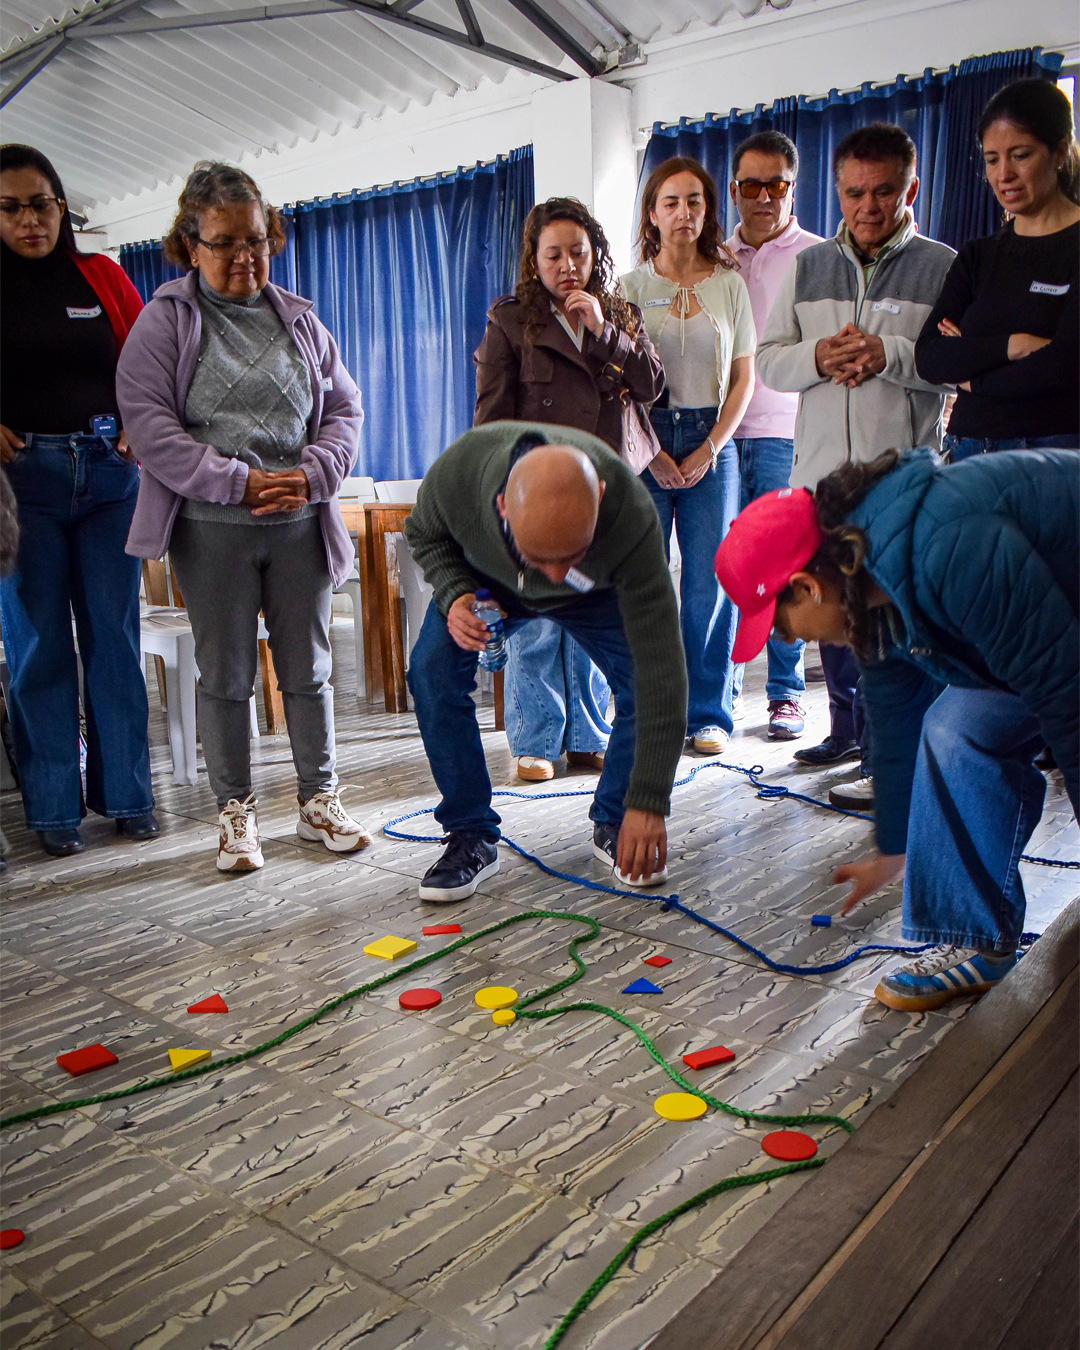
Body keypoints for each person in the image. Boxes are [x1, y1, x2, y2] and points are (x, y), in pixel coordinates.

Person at [715, 447, 1077, 1013]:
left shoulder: (946, 546)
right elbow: (896, 711)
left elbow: (1067, 696)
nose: (794, 641)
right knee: (951, 726)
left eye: (786, 629)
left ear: (810, 587)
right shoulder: (870, 583)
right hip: (1060, 639)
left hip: (1068, 646)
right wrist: (893, 847)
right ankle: (978, 943)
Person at [117, 161, 370, 872]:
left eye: (255, 240)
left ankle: (320, 801)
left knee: (309, 671)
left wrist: (313, 472)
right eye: (225, 243)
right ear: (190, 244)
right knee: (226, 676)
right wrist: (237, 481)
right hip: (213, 532)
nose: (244, 257)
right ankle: (237, 814)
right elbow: (149, 424)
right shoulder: (163, 322)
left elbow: (345, 409)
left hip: (300, 526)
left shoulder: (301, 319)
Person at [403, 423, 687, 901]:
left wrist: (649, 797)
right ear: (502, 509)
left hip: (592, 594)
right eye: (543, 558)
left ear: (599, 497)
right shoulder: (458, 476)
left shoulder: (630, 512)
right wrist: (454, 594)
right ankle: (471, 834)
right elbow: (425, 535)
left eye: (570, 555)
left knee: (641, 679)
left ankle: (616, 818)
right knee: (430, 673)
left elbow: (664, 668)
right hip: (492, 585)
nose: (555, 575)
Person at [757, 123, 955, 805]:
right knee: (834, 623)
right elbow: (767, 360)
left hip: (901, 487)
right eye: (852, 194)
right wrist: (817, 358)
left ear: (912, 189)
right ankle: (846, 732)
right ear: (835, 191)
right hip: (819, 482)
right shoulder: (807, 266)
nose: (867, 207)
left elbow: (955, 369)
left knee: (894, 627)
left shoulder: (944, 265)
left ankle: (892, 760)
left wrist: (886, 354)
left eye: (883, 193)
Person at [0, 143, 157, 858]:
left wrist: (136, 427)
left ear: (63, 208)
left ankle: (127, 795)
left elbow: (150, 368)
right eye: (11, 208)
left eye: (42, 204)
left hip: (107, 480)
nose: (30, 219)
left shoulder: (102, 276)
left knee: (115, 641)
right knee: (38, 649)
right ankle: (55, 809)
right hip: (19, 485)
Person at [474, 197, 663, 784]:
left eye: (577, 252)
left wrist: (604, 333)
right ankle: (534, 740)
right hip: (538, 487)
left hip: (604, 488)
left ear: (594, 254)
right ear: (535, 260)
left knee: (592, 613)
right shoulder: (510, 320)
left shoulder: (621, 315)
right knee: (537, 617)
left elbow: (652, 385)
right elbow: (492, 417)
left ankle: (587, 737)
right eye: (552, 254)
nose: (566, 266)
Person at [621, 157, 755, 759]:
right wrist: (650, 454)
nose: (683, 213)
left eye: (694, 202)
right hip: (644, 441)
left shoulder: (730, 284)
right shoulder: (628, 289)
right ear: (652, 213)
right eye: (670, 202)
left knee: (709, 585)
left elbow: (743, 377)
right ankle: (653, 707)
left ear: (707, 211)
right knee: (647, 584)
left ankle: (707, 714)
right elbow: (618, 386)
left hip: (711, 436)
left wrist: (709, 447)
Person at [915, 78, 1079, 457]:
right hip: (968, 449)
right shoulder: (978, 256)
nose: (1003, 174)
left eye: (1020, 155)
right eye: (992, 159)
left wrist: (972, 374)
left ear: (1058, 153)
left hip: (1052, 454)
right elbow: (930, 357)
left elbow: (1064, 367)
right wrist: (1016, 346)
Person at [725, 131, 823, 741]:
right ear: (734, 190)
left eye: (776, 186)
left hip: (786, 434)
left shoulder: (818, 256)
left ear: (793, 188)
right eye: (751, 186)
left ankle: (787, 696)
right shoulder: (713, 254)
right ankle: (720, 693)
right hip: (718, 434)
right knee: (725, 567)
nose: (763, 198)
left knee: (784, 571)